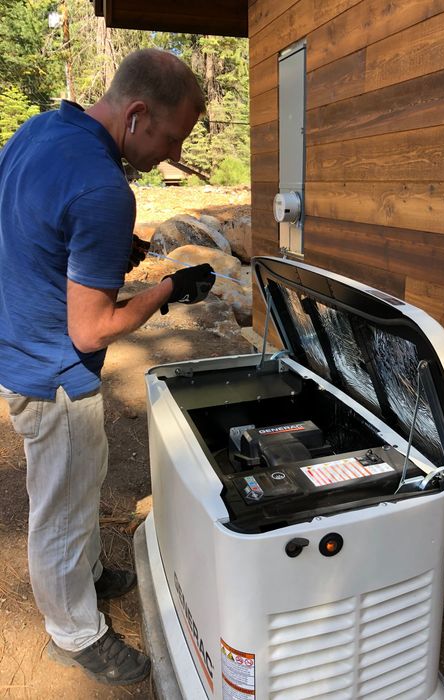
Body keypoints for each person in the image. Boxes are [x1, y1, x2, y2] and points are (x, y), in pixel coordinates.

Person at [0, 48, 215, 686]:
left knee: (79, 484)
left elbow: (29, 224)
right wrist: (168, 289)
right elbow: (92, 327)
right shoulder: (103, 189)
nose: (170, 156)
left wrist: (99, 253)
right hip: (55, 371)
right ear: (138, 114)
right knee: (61, 509)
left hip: (20, 343)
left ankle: (88, 575)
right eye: (170, 138)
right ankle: (75, 633)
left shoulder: (42, 129)